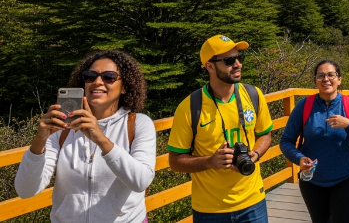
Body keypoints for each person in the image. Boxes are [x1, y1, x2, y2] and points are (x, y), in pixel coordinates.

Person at [15, 50, 156, 223]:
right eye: (90, 76)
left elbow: (140, 181)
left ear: (125, 86)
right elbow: (25, 190)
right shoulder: (62, 128)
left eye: (109, 77)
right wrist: (39, 142)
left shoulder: (138, 124)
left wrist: (100, 139)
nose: (97, 82)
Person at [167, 35, 274, 223]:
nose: (237, 64)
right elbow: (175, 161)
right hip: (210, 210)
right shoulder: (190, 107)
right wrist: (210, 161)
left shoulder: (253, 95)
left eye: (239, 58)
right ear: (210, 66)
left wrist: (255, 154)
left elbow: (265, 134)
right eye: (229, 61)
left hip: (253, 203)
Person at [280, 60, 349, 223]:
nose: (326, 79)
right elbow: (286, 141)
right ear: (315, 80)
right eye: (320, 76)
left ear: (339, 79)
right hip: (312, 180)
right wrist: (299, 158)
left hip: (346, 179)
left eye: (331, 75)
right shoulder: (304, 106)